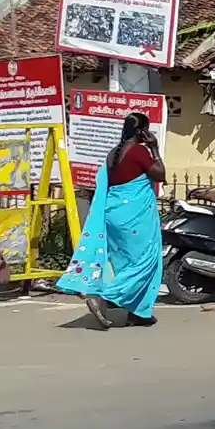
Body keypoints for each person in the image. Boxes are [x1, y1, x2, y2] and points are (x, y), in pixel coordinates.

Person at [58, 112, 167, 329]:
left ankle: (139, 313)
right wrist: (154, 148)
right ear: (141, 132)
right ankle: (103, 297)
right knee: (145, 261)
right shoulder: (138, 151)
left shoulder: (113, 154)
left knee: (126, 263)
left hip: (114, 214)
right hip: (133, 216)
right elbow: (160, 174)